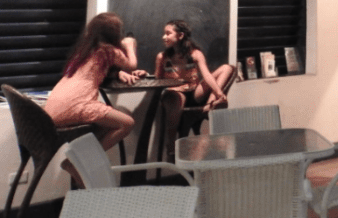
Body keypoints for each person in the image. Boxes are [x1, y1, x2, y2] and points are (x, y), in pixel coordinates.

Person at [137, 19, 233, 161]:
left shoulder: (195, 54)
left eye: (168, 33)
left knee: (226, 68)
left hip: (194, 92)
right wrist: (144, 74)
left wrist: (220, 94)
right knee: (177, 98)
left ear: (180, 35)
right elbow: (158, 78)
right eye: (164, 33)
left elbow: (206, 75)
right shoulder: (162, 57)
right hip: (174, 93)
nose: (164, 37)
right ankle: (171, 148)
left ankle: (211, 105)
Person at [44, 12, 138, 151]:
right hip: (77, 104)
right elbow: (132, 65)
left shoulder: (84, 51)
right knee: (127, 123)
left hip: (52, 109)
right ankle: (87, 159)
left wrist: (117, 73)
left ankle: (78, 159)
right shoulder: (109, 50)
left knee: (103, 126)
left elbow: (93, 71)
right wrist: (130, 45)